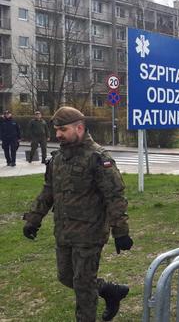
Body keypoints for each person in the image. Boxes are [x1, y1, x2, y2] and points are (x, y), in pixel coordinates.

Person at [22, 106, 133, 322]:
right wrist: (34, 219)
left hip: (89, 233)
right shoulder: (58, 159)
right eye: (56, 130)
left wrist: (121, 231)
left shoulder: (98, 158)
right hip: (64, 232)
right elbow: (48, 191)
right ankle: (110, 290)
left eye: (62, 129)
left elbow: (115, 196)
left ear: (79, 128)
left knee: (83, 287)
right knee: (66, 277)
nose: (58, 134)